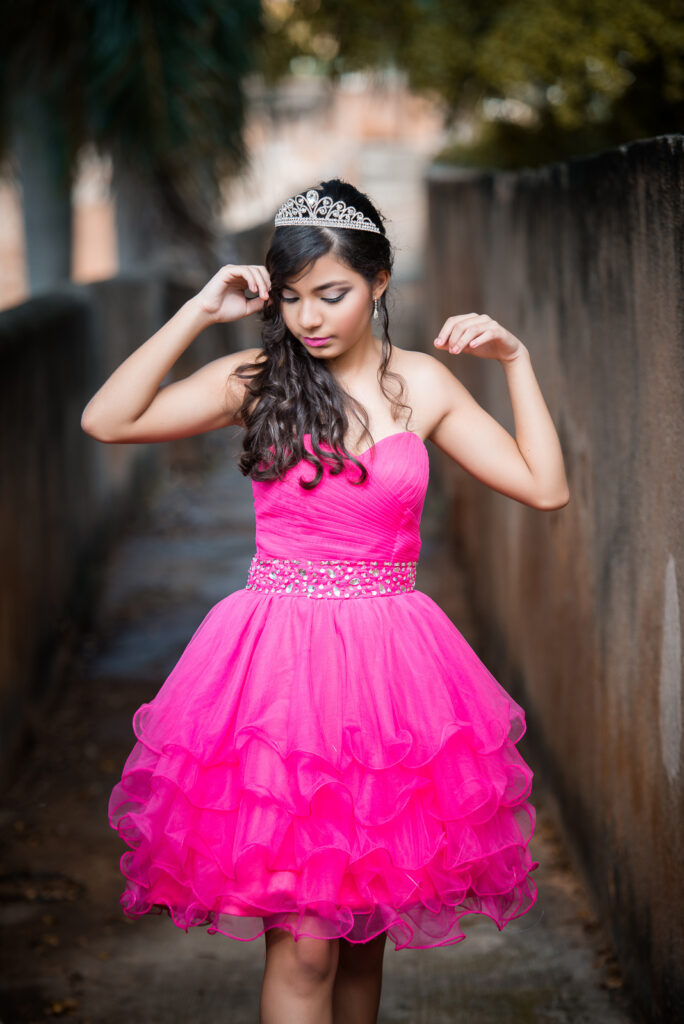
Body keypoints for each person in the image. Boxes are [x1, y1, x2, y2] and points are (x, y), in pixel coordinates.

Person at [81, 177, 569, 1024]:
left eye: (333, 294)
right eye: (297, 298)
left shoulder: (423, 383)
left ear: (379, 283)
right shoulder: (257, 376)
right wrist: (199, 312)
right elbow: (107, 420)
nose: (311, 318)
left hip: (392, 677)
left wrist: (517, 362)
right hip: (281, 676)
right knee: (303, 942)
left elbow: (545, 487)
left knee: (358, 933)